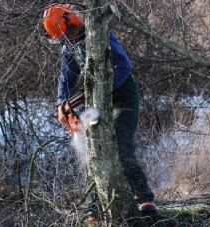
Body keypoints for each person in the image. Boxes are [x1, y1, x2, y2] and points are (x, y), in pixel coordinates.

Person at [43, 3, 156, 217]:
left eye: (69, 35)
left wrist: (101, 91)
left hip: (122, 98)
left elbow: (123, 66)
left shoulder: (99, 35)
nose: (67, 40)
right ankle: (93, 206)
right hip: (94, 103)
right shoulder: (69, 46)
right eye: (63, 38)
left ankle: (145, 199)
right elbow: (65, 78)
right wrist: (61, 104)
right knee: (91, 151)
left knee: (121, 149)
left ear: (73, 24)